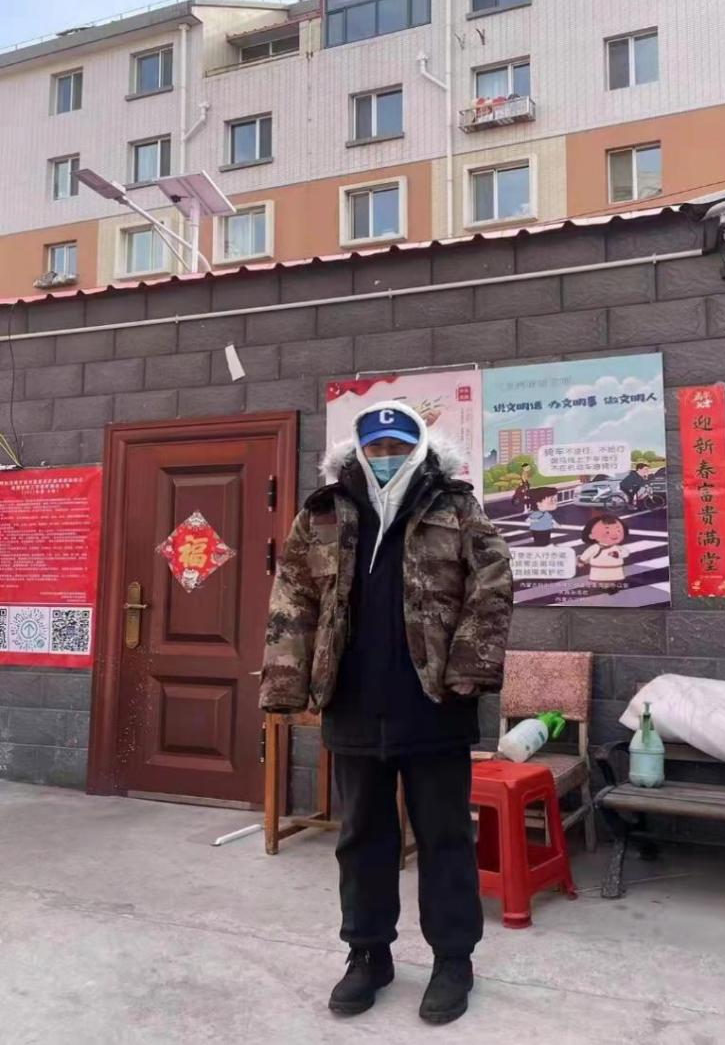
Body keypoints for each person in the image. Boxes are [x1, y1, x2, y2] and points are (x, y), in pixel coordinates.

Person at [260, 400, 513, 1025]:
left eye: (399, 447)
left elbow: (492, 587)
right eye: (376, 449)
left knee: (444, 837)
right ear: (358, 450)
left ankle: (454, 959)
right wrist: (286, 683)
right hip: (353, 699)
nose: (388, 458)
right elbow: (292, 597)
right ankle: (368, 954)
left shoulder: (455, 507)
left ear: (420, 447)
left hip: (434, 701)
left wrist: (470, 670)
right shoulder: (322, 512)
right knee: (361, 838)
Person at [578, 514, 632, 584]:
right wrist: (581, 561)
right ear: (591, 536)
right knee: (602, 582)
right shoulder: (595, 547)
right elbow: (586, 554)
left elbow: (625, 553)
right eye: (607, 532)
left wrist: (617, 554)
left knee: (613, 582)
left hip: (616, 571)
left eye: (618, 531)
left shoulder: (618, 548)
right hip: (599, 571)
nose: (614, 534)